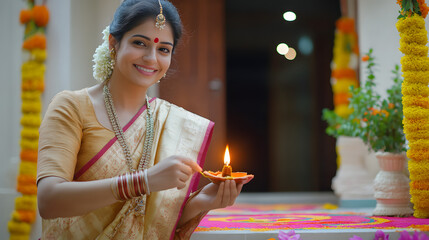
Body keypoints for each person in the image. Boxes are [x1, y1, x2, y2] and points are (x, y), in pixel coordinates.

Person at [36, 0, 252, 239]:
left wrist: (202, 201)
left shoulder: (171, 122)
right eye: (140, 43)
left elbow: (152, 219)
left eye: (163, 49)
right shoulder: (71, 107)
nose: (151, 58)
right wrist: (145, 181)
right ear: (113, 44)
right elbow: (49, 201)